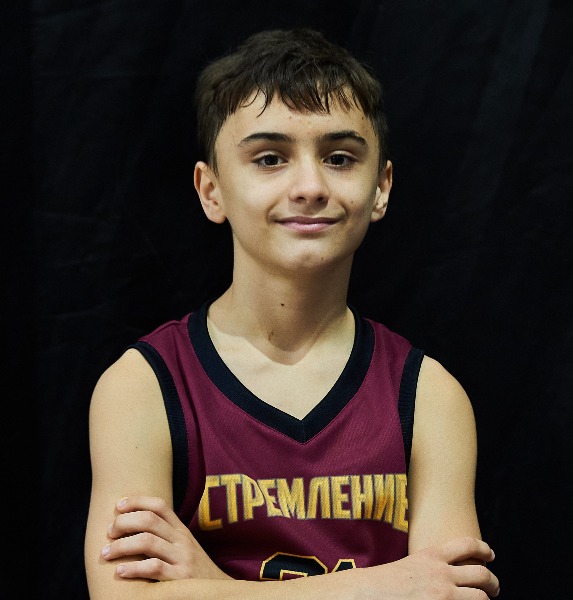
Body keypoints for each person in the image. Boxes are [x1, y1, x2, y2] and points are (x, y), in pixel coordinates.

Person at [84, 28, 500, 599]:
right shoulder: (143, 386)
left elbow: (447, 595)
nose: (309, 186)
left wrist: (207, 585)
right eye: (270, 158)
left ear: (381, 187)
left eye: (339, 158)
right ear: (211, 190)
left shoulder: (428, 396)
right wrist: (383, 587)